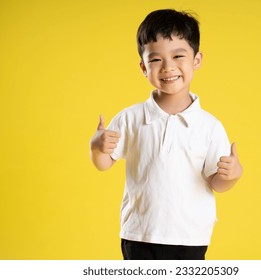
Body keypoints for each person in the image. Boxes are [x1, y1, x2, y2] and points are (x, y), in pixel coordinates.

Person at [90, 9, 243, 260]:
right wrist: (97, 148)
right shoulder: (131, 118)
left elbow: (216, 182)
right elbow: (104, 164)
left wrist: (233, 175)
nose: (168, 67)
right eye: (155, 59)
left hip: (190, 236)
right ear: (143, 66)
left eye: (178, 55)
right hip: (139, 234)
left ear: (196, 60)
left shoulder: (209, 126)